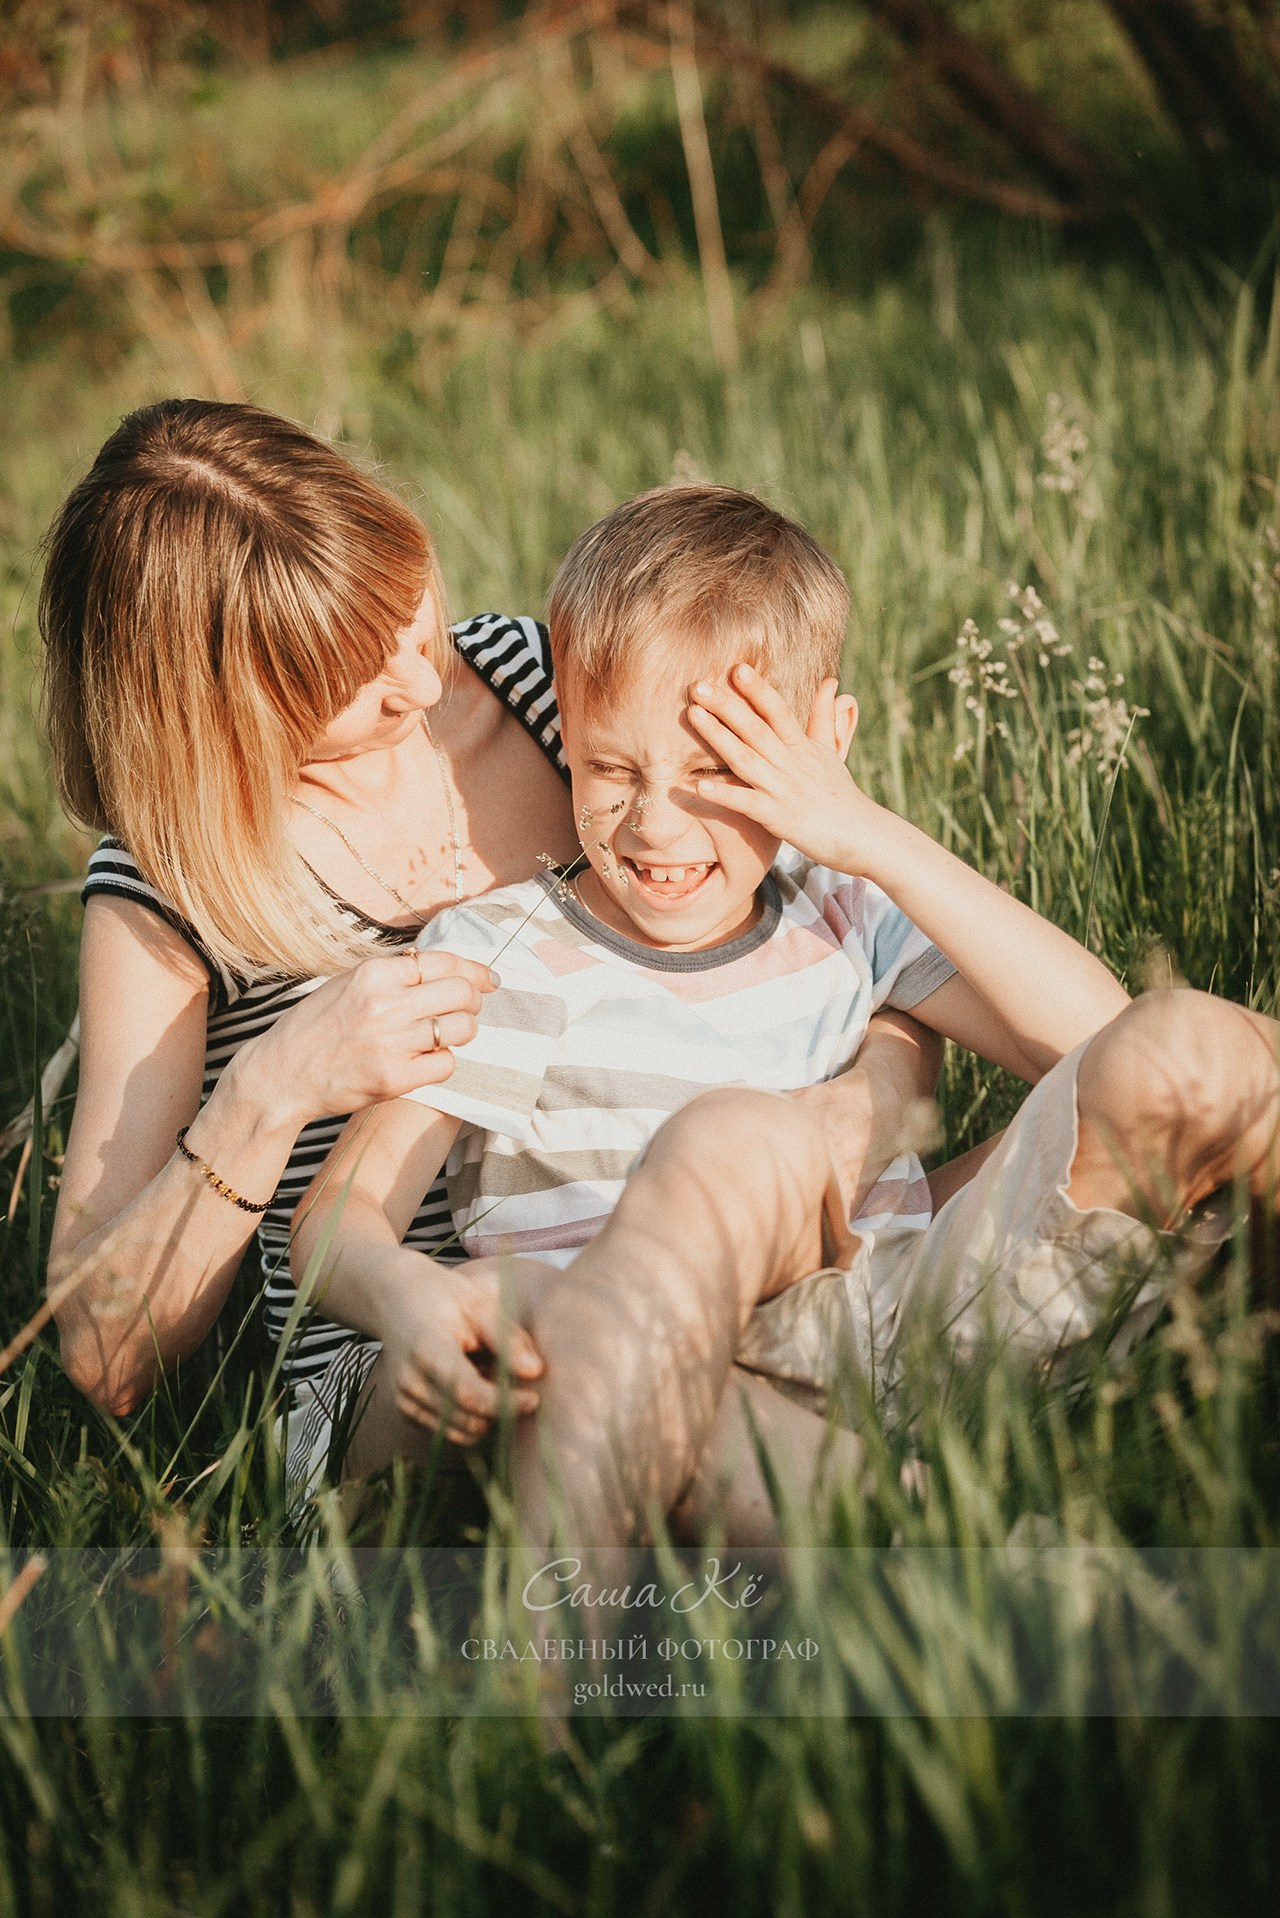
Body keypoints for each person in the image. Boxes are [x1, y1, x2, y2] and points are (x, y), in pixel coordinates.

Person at [292, 484, 1280, 1550]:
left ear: (822, 741)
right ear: (563, 733)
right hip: (648, 1367)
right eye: (609, 767)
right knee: (700, 1262)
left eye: (720, 770)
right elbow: (341, 1213)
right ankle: (903, 1562)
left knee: (1187, 1051)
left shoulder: (842, 904)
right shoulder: (507, 951)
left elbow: (1093, 1041)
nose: (655, 822)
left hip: (896, 1317)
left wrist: (867, 837)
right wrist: (403, 1296)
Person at [38, 400, 941, 1530]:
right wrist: (270, 1094)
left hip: (721, 1230)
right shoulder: (170, 888)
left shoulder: (527, 675)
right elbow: (102, 1353)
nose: (418, 684)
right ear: (212, 712)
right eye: (345, 678)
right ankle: (961, 1580)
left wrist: (877, 1090)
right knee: (577, 1343)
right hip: (424, 1337)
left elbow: (834, 912)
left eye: (404, 610)